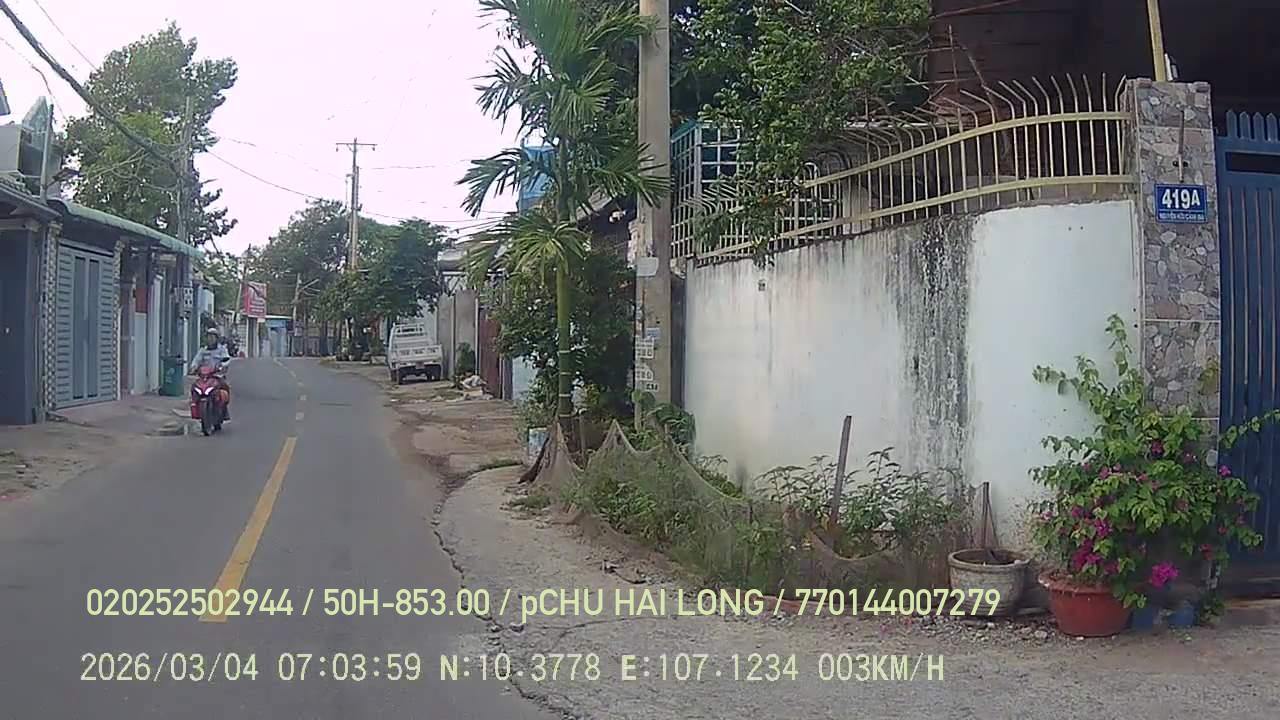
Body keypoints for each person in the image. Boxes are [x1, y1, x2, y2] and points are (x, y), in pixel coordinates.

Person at [190, 330, 232, 420]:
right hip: (204, 377)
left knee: (224, 386)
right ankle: (196, 407)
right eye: (209, 337)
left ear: (216, 338)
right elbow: (196, 360)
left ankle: (224, 410)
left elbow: (227, 359)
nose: (210, 339)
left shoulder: (222, 350)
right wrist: (193, 367)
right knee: (194, 388)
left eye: (212, 337)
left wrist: (222, 366)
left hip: (217, 376)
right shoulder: (203, 350)